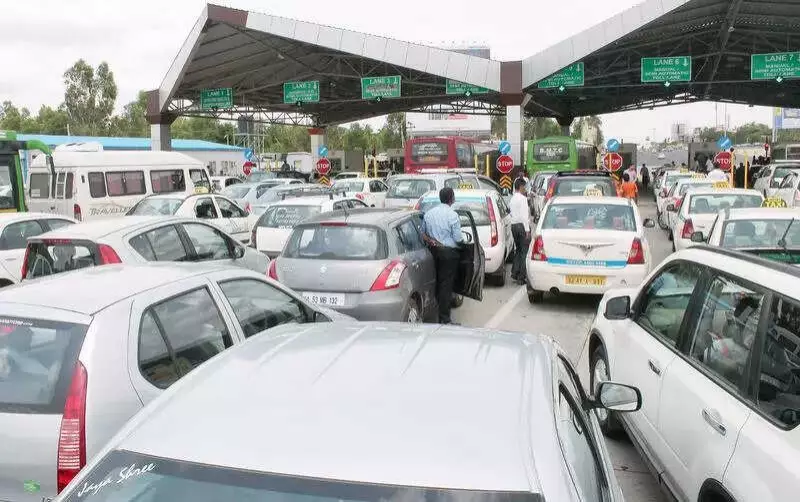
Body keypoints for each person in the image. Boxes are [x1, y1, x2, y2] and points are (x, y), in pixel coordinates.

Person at [422, 187, 464, 325]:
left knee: (437, 282)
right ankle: (444, 319)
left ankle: (436, 313)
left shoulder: (429, 214)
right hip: (448, 254)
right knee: (446, 286)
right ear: (451, 198)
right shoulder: (452, 215)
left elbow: (423, 233)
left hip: (433, 252)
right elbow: (458, 238)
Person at [509, 178, 531, 285]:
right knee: (524, 251)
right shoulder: (523, 199)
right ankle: (522, 277)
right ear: (521, 187)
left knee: (518, 249)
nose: (526, 189)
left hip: (514, 226)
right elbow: (524, 215)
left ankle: (515, 272)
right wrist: (527, 230)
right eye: (525, 187)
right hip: (522, 226)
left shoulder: (512, 199)